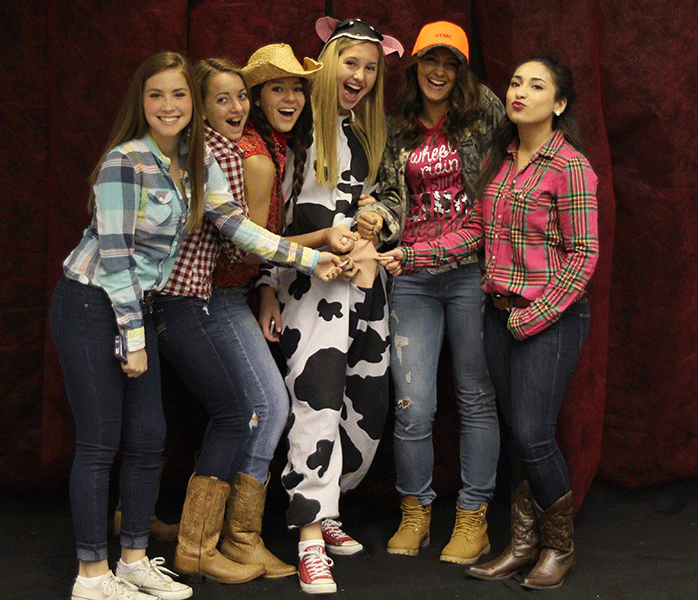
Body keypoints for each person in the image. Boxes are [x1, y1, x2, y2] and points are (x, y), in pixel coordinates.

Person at [49, 51, 342, 600]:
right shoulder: (125, 163)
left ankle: (135, 560)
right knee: (100, 441)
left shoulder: (194, 162)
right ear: (141, 103)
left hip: (142, 305)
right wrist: (134, 340)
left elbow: (238, 227)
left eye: (178, 95)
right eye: (156, 95)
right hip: (92, 304)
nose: (169, 105)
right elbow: (115, 261)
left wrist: (310, 259)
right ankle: (92, 575)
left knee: (149, 436)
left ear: (192, 105)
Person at [379, 55, 598, 590]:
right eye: (517, 82)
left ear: (559, 103)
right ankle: (522, 544)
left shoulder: (570, 166)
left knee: (532, 433)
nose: (521, 91)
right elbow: (475, 232)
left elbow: (583, 256)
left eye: (537, 85)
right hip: (498, 314)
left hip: (548, 318)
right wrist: (413, 256)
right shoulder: (500, 162)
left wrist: (533, 317)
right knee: (521, 437)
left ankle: (558, 547)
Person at [147, 56, 347, 586]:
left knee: (254, 407)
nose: (236, 106)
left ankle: (217, 537)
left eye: (240, 96)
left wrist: (264, 285)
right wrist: (318, 246)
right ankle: (223, 540)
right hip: (204, 299)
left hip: (222, 297)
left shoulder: (255, 150)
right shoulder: (242, 158)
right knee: (258, 407)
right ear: (199, 107)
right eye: (224, 98)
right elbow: (242, 248)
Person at [256, 17, 403, 594]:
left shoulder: (369, 133)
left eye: (371, 68)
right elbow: (272, 217)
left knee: (362, 401)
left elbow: (389, 206)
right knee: (315, 402)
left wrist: (378, 222)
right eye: (352, 63)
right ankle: (309, 537)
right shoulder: (295, 131)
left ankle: (330, 508)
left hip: (366, 290)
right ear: (328, 64)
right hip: (310, 290)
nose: (361, 76)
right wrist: (267, 284)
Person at [355, 21, 503, 565]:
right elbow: (394, 198)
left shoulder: (485, 111)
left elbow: (492, 205)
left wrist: (414, 253)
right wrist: (375, 217)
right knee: (413, 403)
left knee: (475, 397)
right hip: (411, 278)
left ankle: (473, 515)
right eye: (429, 61)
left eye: (450, 62)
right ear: (415, 64)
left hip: (469, 272)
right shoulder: (398, 123)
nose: (438, 71)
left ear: (462, 69)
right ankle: (415, 510)